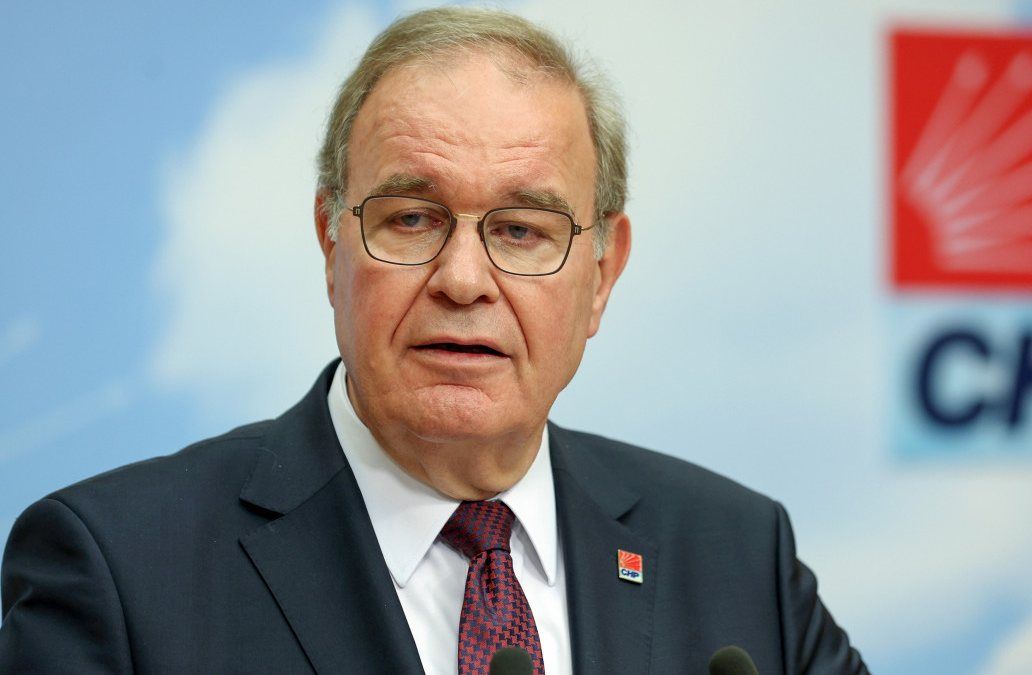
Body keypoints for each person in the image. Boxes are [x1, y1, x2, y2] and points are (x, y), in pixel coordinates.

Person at [0, 7, 866, 674]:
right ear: (330, 242)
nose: (462, 279)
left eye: (522, 230)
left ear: (602, 273)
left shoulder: (737, 557)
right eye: (412, 218)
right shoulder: (118, 571)